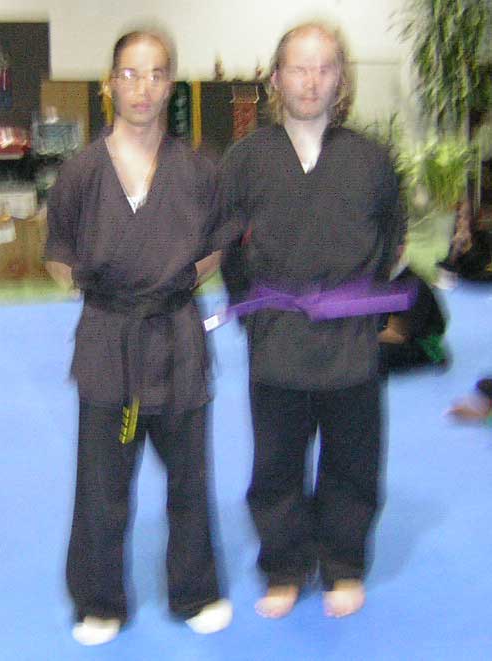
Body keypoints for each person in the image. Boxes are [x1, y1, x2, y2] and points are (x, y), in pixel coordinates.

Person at [45, 28, 231, 645]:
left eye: (155, 74)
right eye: (130, 73)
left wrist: (173, 281)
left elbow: (215, 247)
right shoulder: (80, 172)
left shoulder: (198, 169)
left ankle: (195, 590)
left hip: (177, 341)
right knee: (102, 483)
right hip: (109, 345)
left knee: (189, 479)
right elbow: (58, 253)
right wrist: (103, 289)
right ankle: (99, 600)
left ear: (170, 84)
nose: (142, 87)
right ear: (110, 84)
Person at [217, 21, 405, 619]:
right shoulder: (246, 159)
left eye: (324, 68)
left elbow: (392, 237)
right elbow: (228, 246)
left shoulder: (371, 159)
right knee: (276, 461)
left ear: (341, 79)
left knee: (353, 458)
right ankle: (284, 566)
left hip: (351, 337)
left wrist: (360, 306)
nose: (311, 80)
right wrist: (255, 317)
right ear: (276, 78)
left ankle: (343, 564)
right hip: (277, 335)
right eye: (299, 67)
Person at [378, 263, 449, 376]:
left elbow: (398, 334)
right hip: (390, 328)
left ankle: (427, 357)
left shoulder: (412, 286)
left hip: (420, 341)